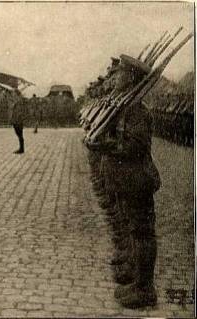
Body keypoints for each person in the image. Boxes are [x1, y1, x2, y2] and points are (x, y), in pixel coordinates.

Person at [87, 54, 160, 309]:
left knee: (142, 233)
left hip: (137, 179)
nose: (115, 77)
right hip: (127, 179)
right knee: (134, 229)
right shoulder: (126, 105)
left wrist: (106, 145)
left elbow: (136, 146)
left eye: (120, 73)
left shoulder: (137, 110)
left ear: (130, 77)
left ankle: (145, 289)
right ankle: (138, 281)